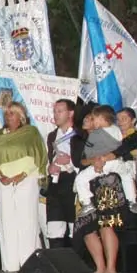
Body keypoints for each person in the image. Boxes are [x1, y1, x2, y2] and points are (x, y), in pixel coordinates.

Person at [73, 106, 136, 273]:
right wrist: (95, 160)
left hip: (107, 183)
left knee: (106, 224)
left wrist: (103, 159)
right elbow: (81, 161)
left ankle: (111, 269)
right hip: (90, 183)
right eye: (86, 119)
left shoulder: (114, 135)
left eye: (91, 118)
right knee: (86, 227)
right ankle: (99, 268)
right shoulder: (82, 139)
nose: (89, 121)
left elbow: (122, 154)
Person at [0, 102, 46, 273]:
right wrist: (1, 176)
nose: (8, 117)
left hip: (26, 179)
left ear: (21, 116)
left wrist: (21, 175)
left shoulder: (31, 132)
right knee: (7, 222)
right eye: (6, 114)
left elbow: (38, 156)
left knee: (27, 220)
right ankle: (11, 265)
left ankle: (29, 264)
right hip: (3, 180)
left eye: (12, 113)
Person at [44, 100, 82, 249]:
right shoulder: (52, 136)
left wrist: (70, 162)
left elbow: (86, 160)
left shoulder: (80, 134)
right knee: (54, 225)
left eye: (60, 111)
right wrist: (50, 167)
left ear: (70, 113)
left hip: (73, 181)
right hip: (55, 182)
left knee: (74, 225)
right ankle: (58, 267)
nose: (56, 115)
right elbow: (49, 158)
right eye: (54, 111)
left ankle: (78, 266)